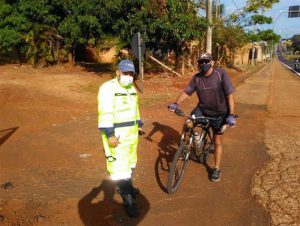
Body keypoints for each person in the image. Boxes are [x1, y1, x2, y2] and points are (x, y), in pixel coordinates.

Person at [168, 53, 236, 182]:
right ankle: (187, 144)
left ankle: (216, 168)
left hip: (219, 113)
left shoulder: (220, 74)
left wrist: (231, 115)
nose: (204, 64)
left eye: (206, 61)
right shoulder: (197, 78)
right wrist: (176, 103)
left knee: (217, 141)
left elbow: (230, 96)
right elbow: (187, 92)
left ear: (212, 62)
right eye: (201, 62)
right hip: (202, 109)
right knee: (188, 121)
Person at [97, 59, 144, 217]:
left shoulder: (131, 88)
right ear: (117, 72)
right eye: (125, 73)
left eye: (131, 73)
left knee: (130, 164)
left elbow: (134, 108)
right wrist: (110, 134)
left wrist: (139, 123)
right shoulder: (107, 88)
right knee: (120, 168)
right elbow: (105, 112)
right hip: (116, 135)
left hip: (131, 134)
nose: (129, 76)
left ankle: (128, 187)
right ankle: (128, 200)